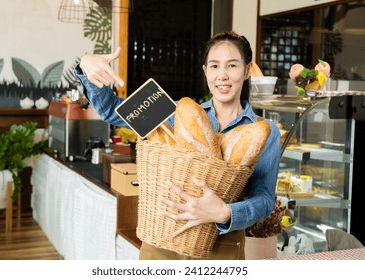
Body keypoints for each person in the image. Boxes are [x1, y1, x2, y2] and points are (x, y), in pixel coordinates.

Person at [74, 31, 281, 260]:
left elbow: (264, 199)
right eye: (214, 66)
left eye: (232, 66)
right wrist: (86, 64)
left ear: (247, 70)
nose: (222, 75)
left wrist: (225, 212)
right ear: (205, 71)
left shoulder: (265, 132)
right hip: (162, 245)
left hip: (220, 248)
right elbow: (110, 109)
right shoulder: (174, 113)